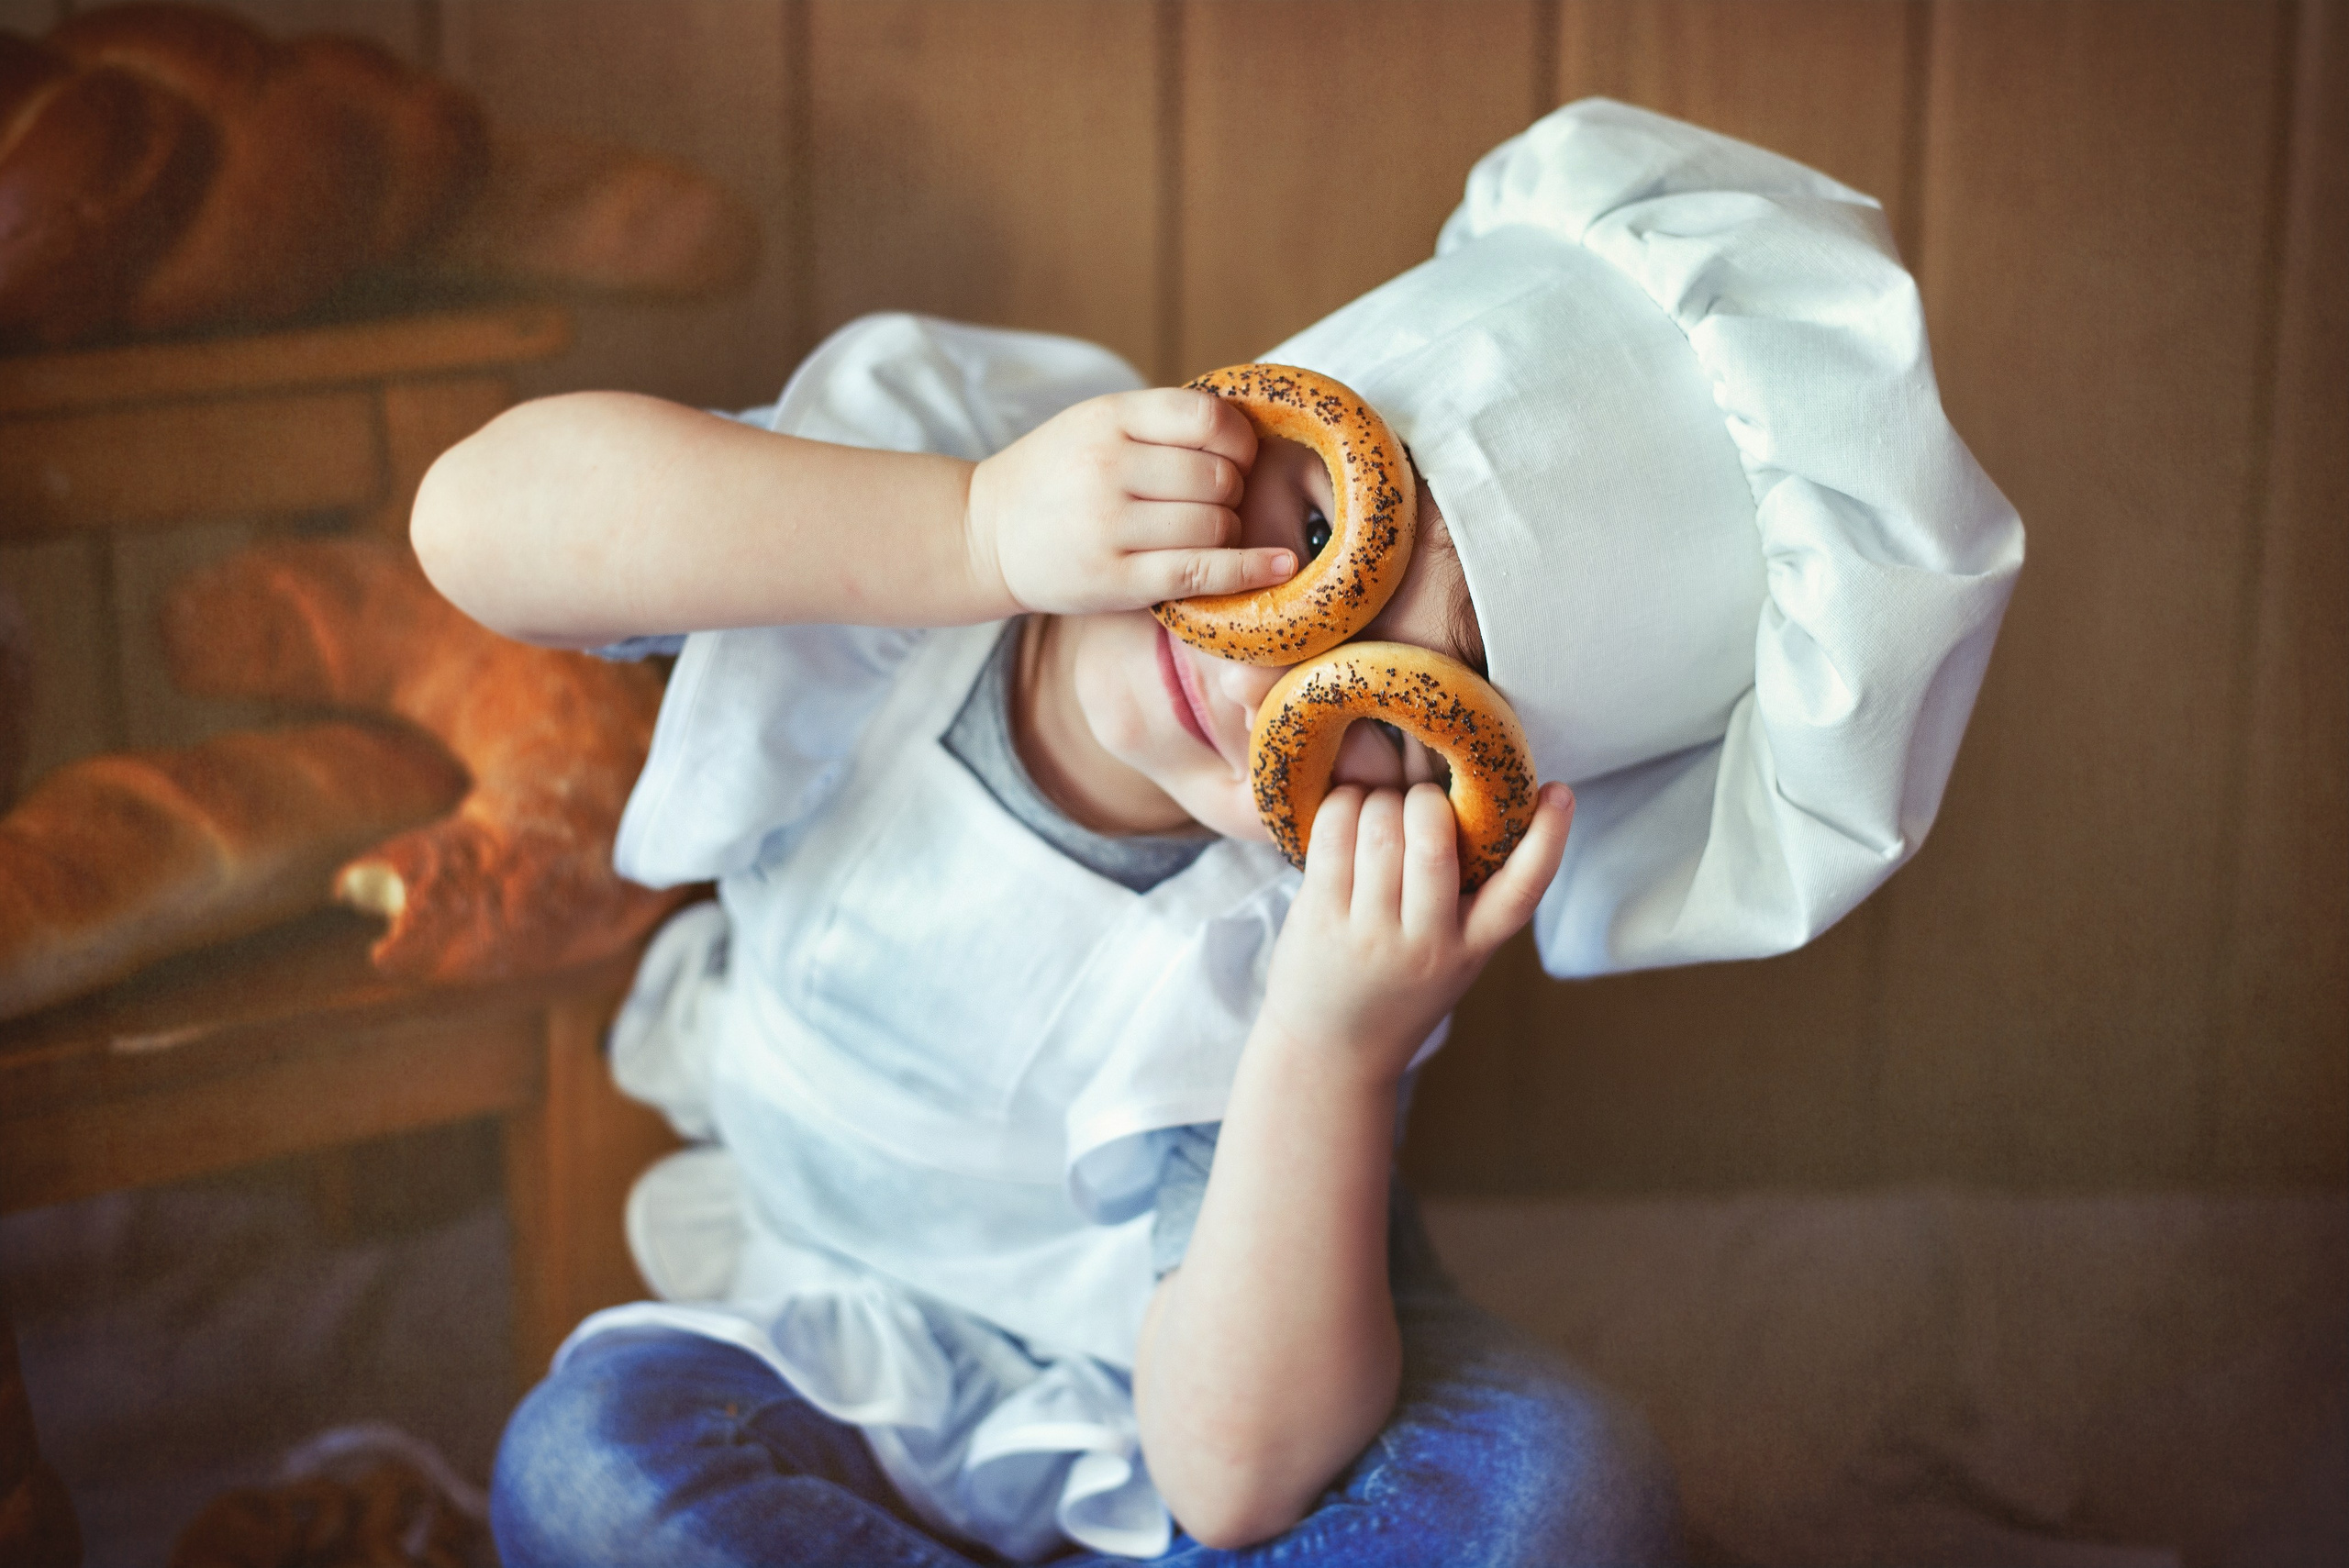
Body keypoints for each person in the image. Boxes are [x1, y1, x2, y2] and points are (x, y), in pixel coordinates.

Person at [414, 101, 2022, 1566]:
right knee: (585, 1477)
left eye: (1392, 707)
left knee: (1568, 1494)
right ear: (1267, 395)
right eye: (1323, 528)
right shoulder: (933, 516)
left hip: (1188, 1364)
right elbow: (475, 526)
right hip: (810, 1321)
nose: (1281, 661)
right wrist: (969, 530)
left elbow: (1230, 1481)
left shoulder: (1284, 938)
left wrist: (1330, 1044)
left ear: (1453, 802)